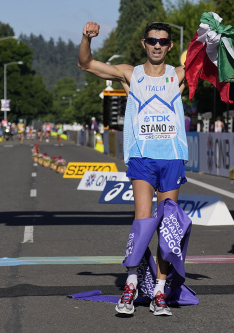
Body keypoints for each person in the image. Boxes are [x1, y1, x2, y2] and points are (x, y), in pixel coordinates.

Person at [79, 21, 188, 316]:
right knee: (142, 223)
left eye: (163, 41)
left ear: (169, 46)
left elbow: (212, 70)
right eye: (152, 40)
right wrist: (86, 38)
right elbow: (86, 64)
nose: (157, 45)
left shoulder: (179, 74)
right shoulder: (131, 73)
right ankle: (131, 285)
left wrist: (212, 42)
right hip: (142, 157)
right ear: (144, 43)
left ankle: (159, 292)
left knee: (168, 228)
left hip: (172, 157)